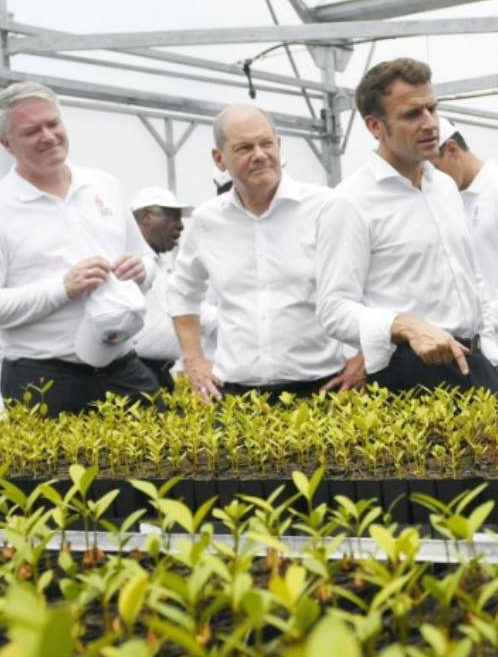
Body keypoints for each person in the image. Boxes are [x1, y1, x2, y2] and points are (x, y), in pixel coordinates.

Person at [315, 58, 498, 393]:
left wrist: (490, 352)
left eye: (433, 109)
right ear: (374, 126)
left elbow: (470, 275)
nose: (431, 123)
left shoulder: (443, 185)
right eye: (412, 114)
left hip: (476, 369)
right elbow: (333, 309)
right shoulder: (349, 201)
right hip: (410, 376)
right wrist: (402, 325)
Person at [168, 105, 362, 402]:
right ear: (219, 159)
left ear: (279, 145)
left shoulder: (326, 207)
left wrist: (365, 355)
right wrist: (194, 361)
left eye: (266, 143)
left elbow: (369, 283)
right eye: (244, 147)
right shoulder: (206, 221)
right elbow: (182, 292)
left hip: (321, 391)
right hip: (235, 396)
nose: (259, 155)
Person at [0, 81, 160, 415]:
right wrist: (62, 289)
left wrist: (143, 271)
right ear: (6, 143)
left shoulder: (104, 185)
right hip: (43, 379)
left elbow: (148, 260)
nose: (48, 136)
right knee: (50, 469)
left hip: (121, 366)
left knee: (171, 462)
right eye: (31, 131)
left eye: (53, 123)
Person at [430, 118, 498, 367]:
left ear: (452, 149)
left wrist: (480, 325)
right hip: (480, 353)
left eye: (434, 169)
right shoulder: (451, 202)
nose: (431, 180)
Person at [130, 186, 217, 391]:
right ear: (145, 217)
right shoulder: (131, 263)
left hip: (157, 375)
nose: (180, 226)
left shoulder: (161, 266)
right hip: (135, 372)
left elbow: (193, 312)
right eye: (172, 217)